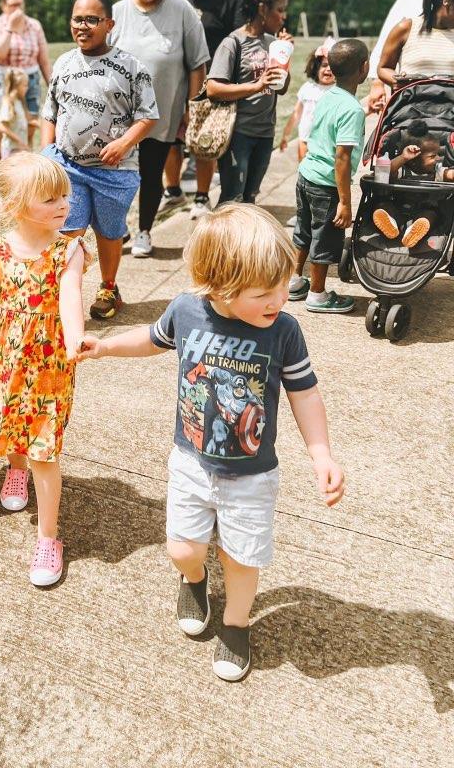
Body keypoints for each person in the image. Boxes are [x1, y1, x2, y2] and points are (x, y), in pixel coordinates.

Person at [76, 204, 344, 681]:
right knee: (183, 550)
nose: (279, 299)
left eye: (284, 285)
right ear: (218, 287)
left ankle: (236, 624)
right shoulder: (187, 310)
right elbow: (153, 339)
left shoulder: (283, 331)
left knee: (242, 558)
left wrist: (320, 453)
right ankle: (194, 579)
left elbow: (304, 392)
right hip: (190, 463)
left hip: (252, 475)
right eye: (264, 292)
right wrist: (108, 345)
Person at [0, 153, 91, 586]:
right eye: (49, 198)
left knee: (44, 449)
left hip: (49, 366)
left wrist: (75, 337)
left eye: (64, 196)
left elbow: (71, 298)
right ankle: (15, 470)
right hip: (5, 358)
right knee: (12, 424)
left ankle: (49, 538)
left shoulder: (69, 249)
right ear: (15, 205)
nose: (62, 205)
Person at [40, 0, 158, 319]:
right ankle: (63, 298)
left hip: (115, 172)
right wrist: (47, 153)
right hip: (69, 167)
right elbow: (49, 112)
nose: (84, 26)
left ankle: (108, 286)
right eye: (78, 19)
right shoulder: (63, 62)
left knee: (109, 232)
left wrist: (123, 144)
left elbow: (148, 115)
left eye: (92, 20)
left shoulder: (131, 67)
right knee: (68, 233)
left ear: (109, 24)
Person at [110, 0, 209, 258]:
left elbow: (197, 63)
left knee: (150, 173)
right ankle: (119, 227)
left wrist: (192, 106)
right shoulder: (117, 12)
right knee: (118, 173)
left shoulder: (182, 11)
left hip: (162, 111)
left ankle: (144, 231)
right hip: (119, 114)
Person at [288, 38, 369, 313]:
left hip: (306, 175)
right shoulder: (352, 109)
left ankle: (295, 280)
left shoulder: (327, 97)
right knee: (325, 238)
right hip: (326, 184)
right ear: (364, 68)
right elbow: (342, 158)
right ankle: (318, 294)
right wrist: (345, 203)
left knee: (303, 231)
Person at [168, 0, 245, 215]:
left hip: (212, 81)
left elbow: (240, 41)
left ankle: (202, 197)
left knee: (204, 137)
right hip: (179, 79)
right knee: (172, 138)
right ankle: (173, 191)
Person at [206, 0, 292, 205]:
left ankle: (242, 241)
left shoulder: (273, 43)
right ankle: (219, 240)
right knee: (232, 197)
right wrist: (255, 86)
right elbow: (213, 89)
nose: (283, 17)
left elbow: (280, 89)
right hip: (238, 134)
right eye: (280, 10)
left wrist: (285, 57)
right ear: (263, 10)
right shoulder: (233, 43)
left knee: (250, 197)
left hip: (265, 133)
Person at [0, 0, 52, 175]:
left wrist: (54, 87)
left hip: (29, 81)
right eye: (12, 5)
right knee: (3, 130)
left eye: (20, 4)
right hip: (5, 82)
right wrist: (10, 29)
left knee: (29, 127)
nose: (17, 9)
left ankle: (22, 172)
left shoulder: (34, 25)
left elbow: (44, 60)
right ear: (3, 6)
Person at [372, 127, 454, 249]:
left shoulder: (436, 171)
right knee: (383, 207)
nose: (438, 158)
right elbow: (388, 170)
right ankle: (391, 225)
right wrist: (403, 157)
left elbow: (449, 174)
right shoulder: (403, 170)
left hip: (422, 209)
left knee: (430, 215)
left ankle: (414, 231)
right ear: (415, 160)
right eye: (433, 156)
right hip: (398, 207)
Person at [377, 0, 454, 87]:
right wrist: (398, 81)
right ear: (447, 1)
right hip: (414, 101)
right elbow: (384, 68)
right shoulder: (406, 28)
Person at [279, 39, 336, 162]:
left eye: (332, 66)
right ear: (316, 68)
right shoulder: (307, 88)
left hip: (327, 142)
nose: (328, 69)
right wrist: (285, 136)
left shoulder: (337, 91)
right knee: (304, 169)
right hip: (305, 139)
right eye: (324, 65)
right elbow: (296, 115)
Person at [0, 68, 38, 158]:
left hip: (19, 149)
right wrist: (20, 141)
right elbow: (3, 127)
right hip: (11, 150)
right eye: (25, 85)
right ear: (16, 85)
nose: (27, 88)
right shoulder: (8, 103)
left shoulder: (19, 102)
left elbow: (22, 121)